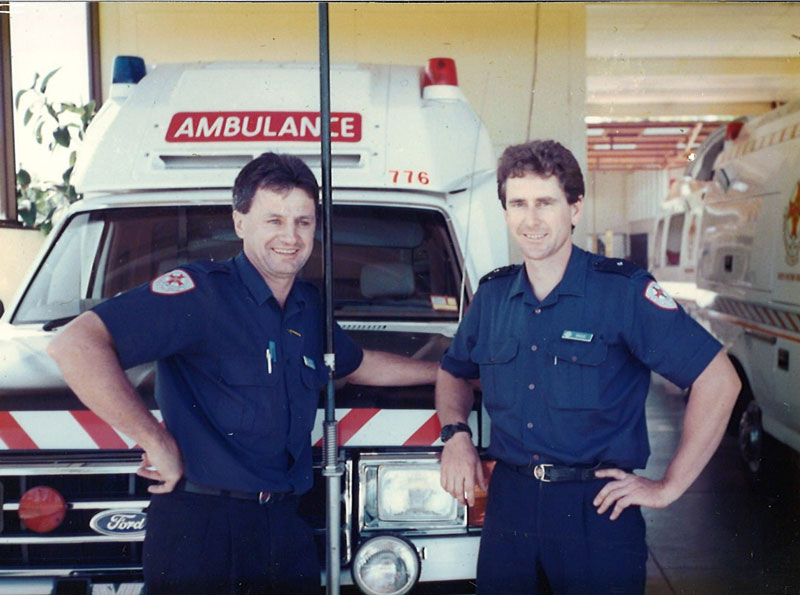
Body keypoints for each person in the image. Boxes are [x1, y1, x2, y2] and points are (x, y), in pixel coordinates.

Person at [47, 152, 438, 594]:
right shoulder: (199, 294)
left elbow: (358, 363)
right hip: (201, 531)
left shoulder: (307, 308)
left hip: (283, 528)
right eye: (274, 220)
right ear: (239, 223)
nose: (290, 236)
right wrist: (155, 440)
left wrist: (446, 374)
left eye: (303, 222)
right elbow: (74, 344)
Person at [436, 140, 741, 593]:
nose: (531, 219)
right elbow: (453, 371)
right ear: (505, 212)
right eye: (518, 203)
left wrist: (669, 486)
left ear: (575, 208)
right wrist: (455, 433)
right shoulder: (493, 298)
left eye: (546, 203)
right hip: (510, 507)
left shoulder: (622, 292)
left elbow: (719, 378)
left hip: (596, 511)